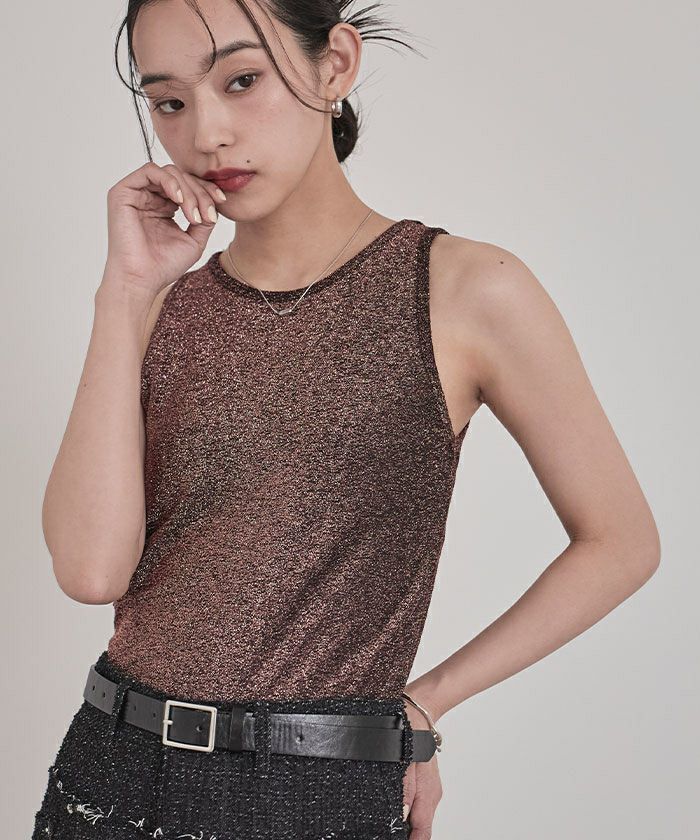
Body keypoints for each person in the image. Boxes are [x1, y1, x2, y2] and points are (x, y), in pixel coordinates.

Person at [34, 0, 661, 838]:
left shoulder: (462, 290)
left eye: (242, 80)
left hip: (318, 792)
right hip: (107, 774)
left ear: (335, 63)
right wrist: (123, 295)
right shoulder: (155, 304)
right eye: (170, 102)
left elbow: (621, 542)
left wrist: (425, 703)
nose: (207, 134)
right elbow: (89, 572)